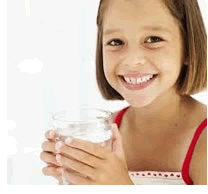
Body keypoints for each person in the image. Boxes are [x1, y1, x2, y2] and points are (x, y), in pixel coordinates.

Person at [40, 0, 207, 185]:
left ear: (189, 48)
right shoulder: (102, 134)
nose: (131, 60)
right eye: (116, 42)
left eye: (153, 39)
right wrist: (72, 178)